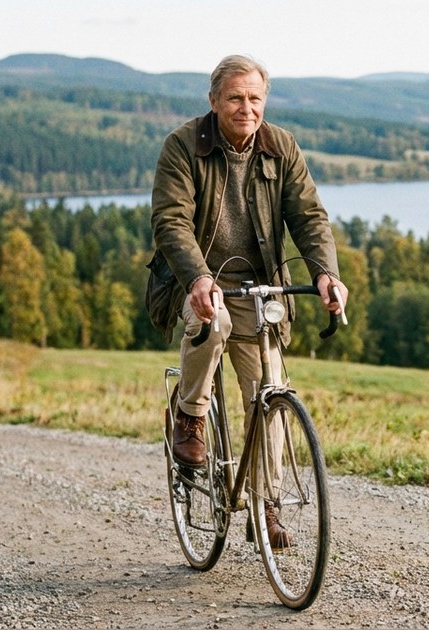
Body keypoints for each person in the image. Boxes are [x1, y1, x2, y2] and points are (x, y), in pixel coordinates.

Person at [151, 54, 348, 549]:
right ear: (214, 100)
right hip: (196, 280)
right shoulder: (183, 146)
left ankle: (266, 505)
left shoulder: (281, 147)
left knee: (270, 392)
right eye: (235, 97)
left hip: (259, 285)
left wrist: (326, 273)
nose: (246, 107)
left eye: (255, 97)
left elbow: (308, 216)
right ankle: (192, 414)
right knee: (211, 321)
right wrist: (197, 277)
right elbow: (171, 221)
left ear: (265, 100)